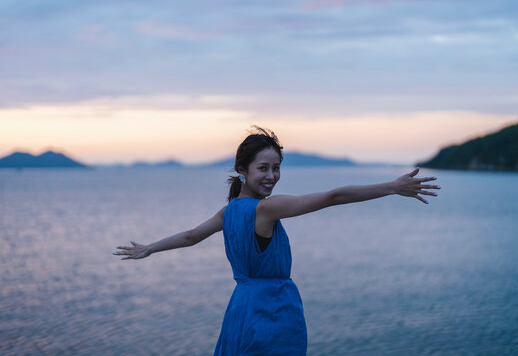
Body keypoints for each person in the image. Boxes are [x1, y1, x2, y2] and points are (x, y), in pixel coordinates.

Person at [113, 126, 440, 355]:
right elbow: (333, 196)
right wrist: (392, 187)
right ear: (243, 170)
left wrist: (150, 248)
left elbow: (190, 236)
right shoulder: (267, 209)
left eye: (276, 168)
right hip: (272, 309)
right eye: (263, 168)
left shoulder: (229, 212)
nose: (271, 176)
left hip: (240, 308)